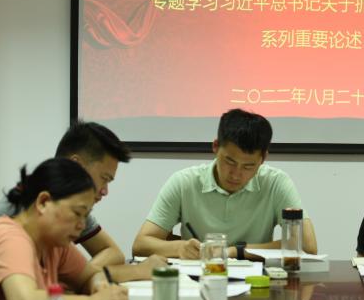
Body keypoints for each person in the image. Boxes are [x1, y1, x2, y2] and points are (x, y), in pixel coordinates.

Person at [0, 122, 162, 279]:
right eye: (104, 178)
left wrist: (83, 278)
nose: (105, 191)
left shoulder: (64, 218)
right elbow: (26, 299)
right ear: (42, 203)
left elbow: (111, 254)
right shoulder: (18, 217)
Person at [133, 109, 317, 260]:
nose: (236, 174)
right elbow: (140, 244)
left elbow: (308, 246)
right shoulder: (184, 182)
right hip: (197, 279)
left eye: (248, 166)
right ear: (215, 146)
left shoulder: (275, 182)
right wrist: (180, 247)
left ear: (263, 159)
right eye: (229, 161)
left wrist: (234, 251)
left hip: (257, 283)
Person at [0, 158, 129, 300]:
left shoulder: (54, 241)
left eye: (85, 216)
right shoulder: (9, 237)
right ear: (43, 202)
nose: (82, 225)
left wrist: (100, 286)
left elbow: (90, 275)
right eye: (77, 213)